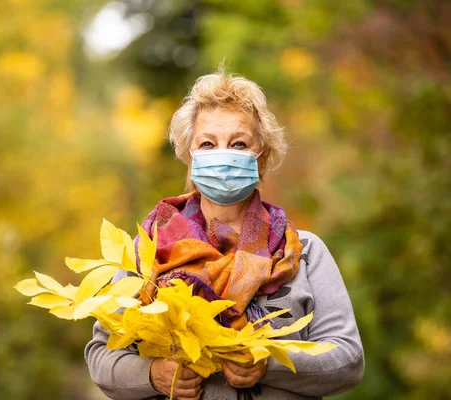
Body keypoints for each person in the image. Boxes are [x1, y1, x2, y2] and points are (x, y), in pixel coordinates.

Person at [85, 68, 364, 399]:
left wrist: (268, 362)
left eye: (239, 143)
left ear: (261, 157)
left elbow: (348, 360)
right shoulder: (148, 252)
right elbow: (101, 355)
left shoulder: (304, 252)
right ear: (190, 158)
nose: (222, 154)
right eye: (207, 143)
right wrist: (153, 374)